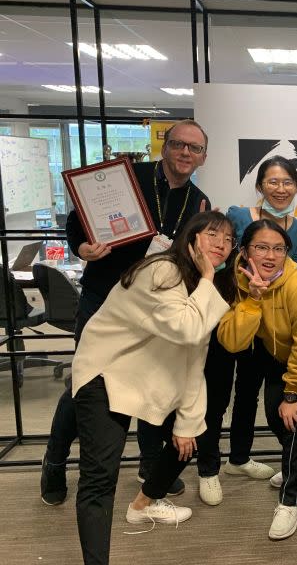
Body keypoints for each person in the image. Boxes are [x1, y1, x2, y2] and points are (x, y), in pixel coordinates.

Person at [41, 119, 212, 505]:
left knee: (150, 377)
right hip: (104, 299)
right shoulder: (127, 178)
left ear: (203, 156)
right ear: (165, 146)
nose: (186, 153)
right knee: (86, 385)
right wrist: (83, 247)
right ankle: (54, 459)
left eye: (195, 148)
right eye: (179, 145)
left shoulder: (198, 200)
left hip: (154, 309)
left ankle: (150, 464)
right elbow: (76, 222)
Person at [72, 211, 236, 565]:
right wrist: (208, 276)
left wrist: (188, 423)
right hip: (106, 373)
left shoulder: (200, 285)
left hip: (147, 378)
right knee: (100, 478)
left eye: (228, 239)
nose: (221, 245)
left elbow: (196, 356)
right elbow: (187, 329)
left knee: (193, 437)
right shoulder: (162, 269)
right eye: (212, 235)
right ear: (191, 238)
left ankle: (143, 505)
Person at [212, 219, 297, 539]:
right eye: (261, 247)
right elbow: (232, 341)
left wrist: (292, 395)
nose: (271, 255)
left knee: (293, 422)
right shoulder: (238, 277)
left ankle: (291, 500)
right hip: (275, 357)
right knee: (276, 417)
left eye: (278, 248)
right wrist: (254, 299)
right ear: (244, 252)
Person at [226, 154, 297, 264]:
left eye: (288, 183)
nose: (281, 190)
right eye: (273, 182)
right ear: (259, 187)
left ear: (296, 187)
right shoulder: (237, 216)